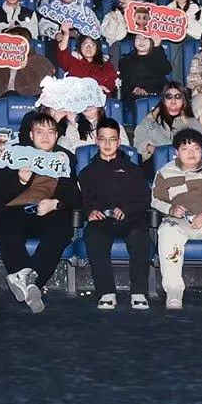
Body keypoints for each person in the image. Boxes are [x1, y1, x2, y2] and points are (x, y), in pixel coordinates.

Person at [0, 111, 78, 313]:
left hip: (48, 209)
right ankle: (32, 286)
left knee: (61, 231)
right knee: (7, 232)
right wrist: (20, 181)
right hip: (16, 208)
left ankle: (27, 281)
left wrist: (55, 203)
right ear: (31, 135)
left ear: (57, 135)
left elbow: (75, 196)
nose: (45, 136)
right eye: (40, 132)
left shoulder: (65, 158)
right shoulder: (15, 153)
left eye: (50, 132)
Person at [151, 129, 202, 310]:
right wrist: (171, 209)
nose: (191, 153)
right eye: (185, 149)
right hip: (178, 220)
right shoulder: (165, 172)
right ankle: (174, 290)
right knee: (167, 230)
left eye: (196, 148)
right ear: (176, 152)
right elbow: (155, 200)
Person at [76, 117, 152, 310]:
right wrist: (90, 212)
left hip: (130, 217)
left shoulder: (133, 170)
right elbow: (82, 200)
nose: (107, 144)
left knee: (140, 236)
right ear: (96, 141)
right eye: (103, 139)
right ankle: (106, 292)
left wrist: (126, 209)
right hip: (102, 219)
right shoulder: (87, 172)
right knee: (94, 235)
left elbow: (144, 199)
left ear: (119, 142)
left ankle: (139, 292)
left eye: (112, 139)